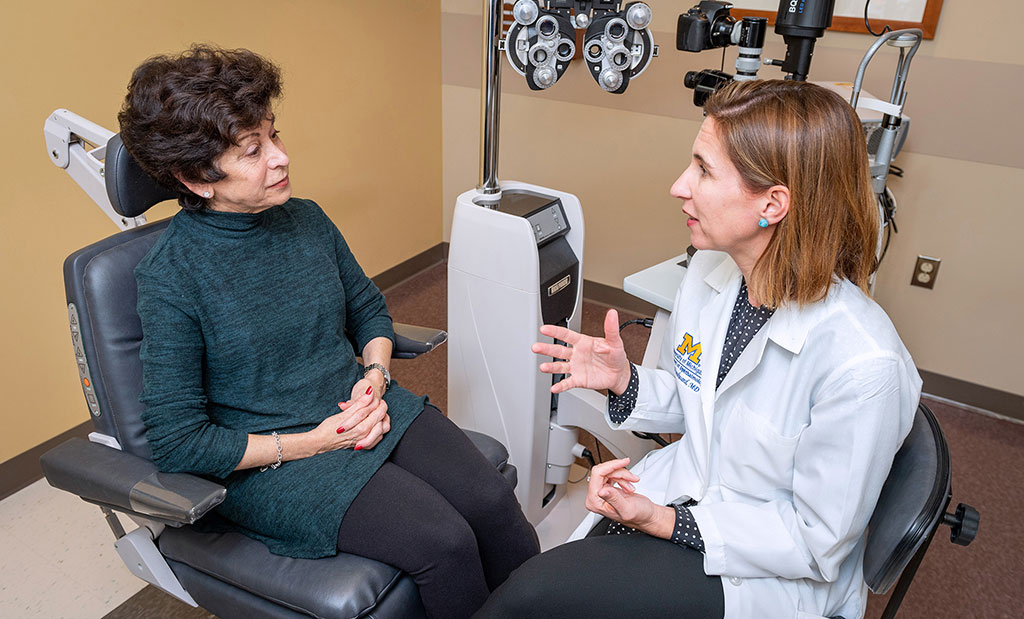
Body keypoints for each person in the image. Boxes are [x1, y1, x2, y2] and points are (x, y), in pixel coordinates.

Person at [477, 79, 921, 619]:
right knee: (551, 585)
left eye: (704, 170)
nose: (678, 186)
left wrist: (662, 521)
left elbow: (817, 543)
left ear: (773, 203)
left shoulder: (863, 365)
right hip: (683, 493)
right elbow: (701, 401)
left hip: (764, 571)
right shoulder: (713, 273)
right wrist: (625, 380)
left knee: (534, 597)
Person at [120, 45, 538, 619]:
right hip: (277, 459)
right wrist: (319, 440)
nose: (280, 158)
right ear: (196, 178)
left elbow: (367, 308)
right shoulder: (171, 276)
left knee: (492, 503)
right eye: (253, 150)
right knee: (443, 542)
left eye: (274, 136)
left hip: (363, 405)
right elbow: (179, 440)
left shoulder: (307, 219)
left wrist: (374, 374)